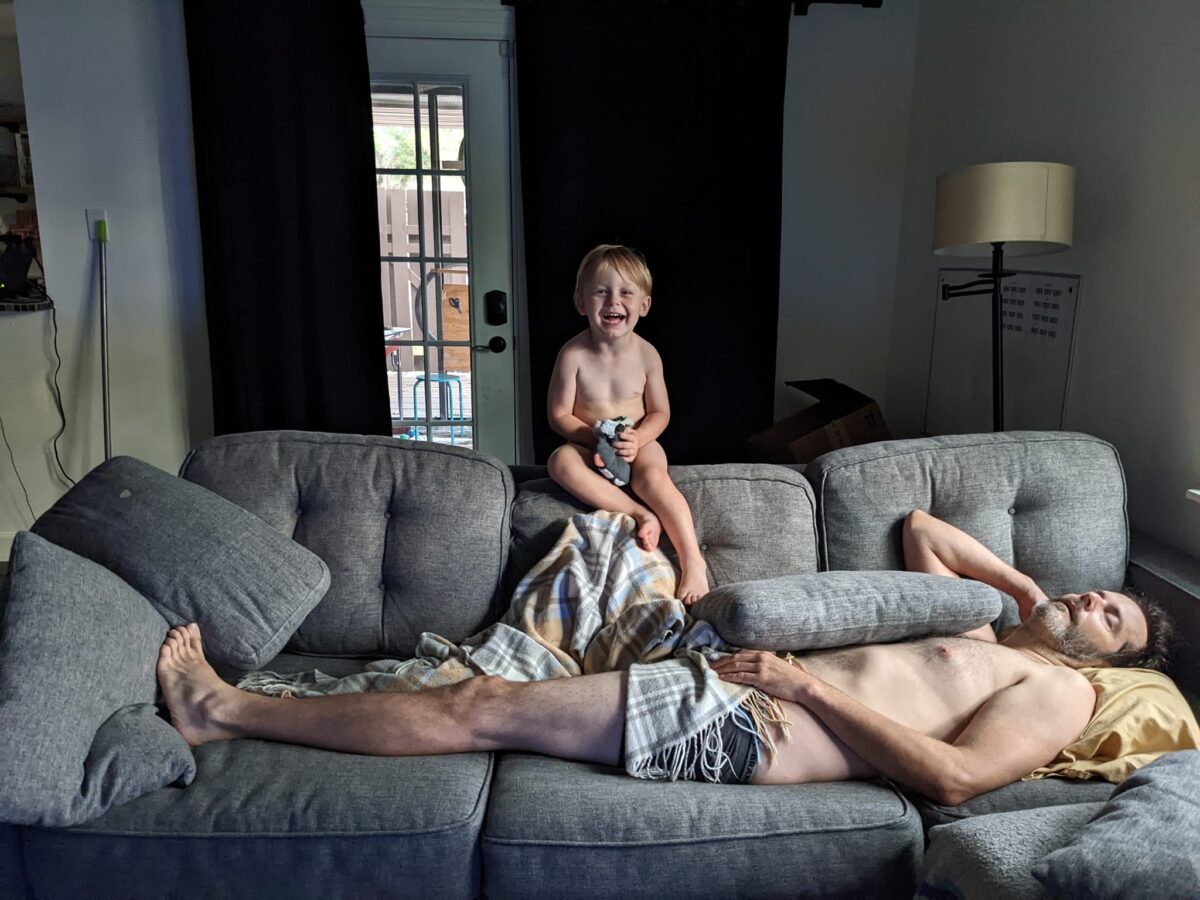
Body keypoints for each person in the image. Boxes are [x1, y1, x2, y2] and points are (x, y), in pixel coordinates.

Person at [157, 510, 1171, 805]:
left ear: (1113, 666)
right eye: (1100, 588)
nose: (1094, 600)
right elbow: (921, 530)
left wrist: (801, 681)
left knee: (483, 706)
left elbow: (950, 780)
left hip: (750, 723)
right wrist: (1036, 596)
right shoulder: (997, 630)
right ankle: (237, 706)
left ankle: (227, 713)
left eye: (1112, 615)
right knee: (496, 685)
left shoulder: (1055, 691)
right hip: (742, 688)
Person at [545, 244, 708, 603]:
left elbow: (660, 412)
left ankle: (693, 560)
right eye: (600, 292)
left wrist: (638, 439)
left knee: (653, 477)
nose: (612, 301)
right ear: (581, 302)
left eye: (625, 293)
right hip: (590, 445)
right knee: (560, 461)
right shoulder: (572, 355)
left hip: (638, 443)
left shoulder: (647, 354)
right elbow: (558, 415)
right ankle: (639, 513)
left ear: (644, 305)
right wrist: (591, 437)